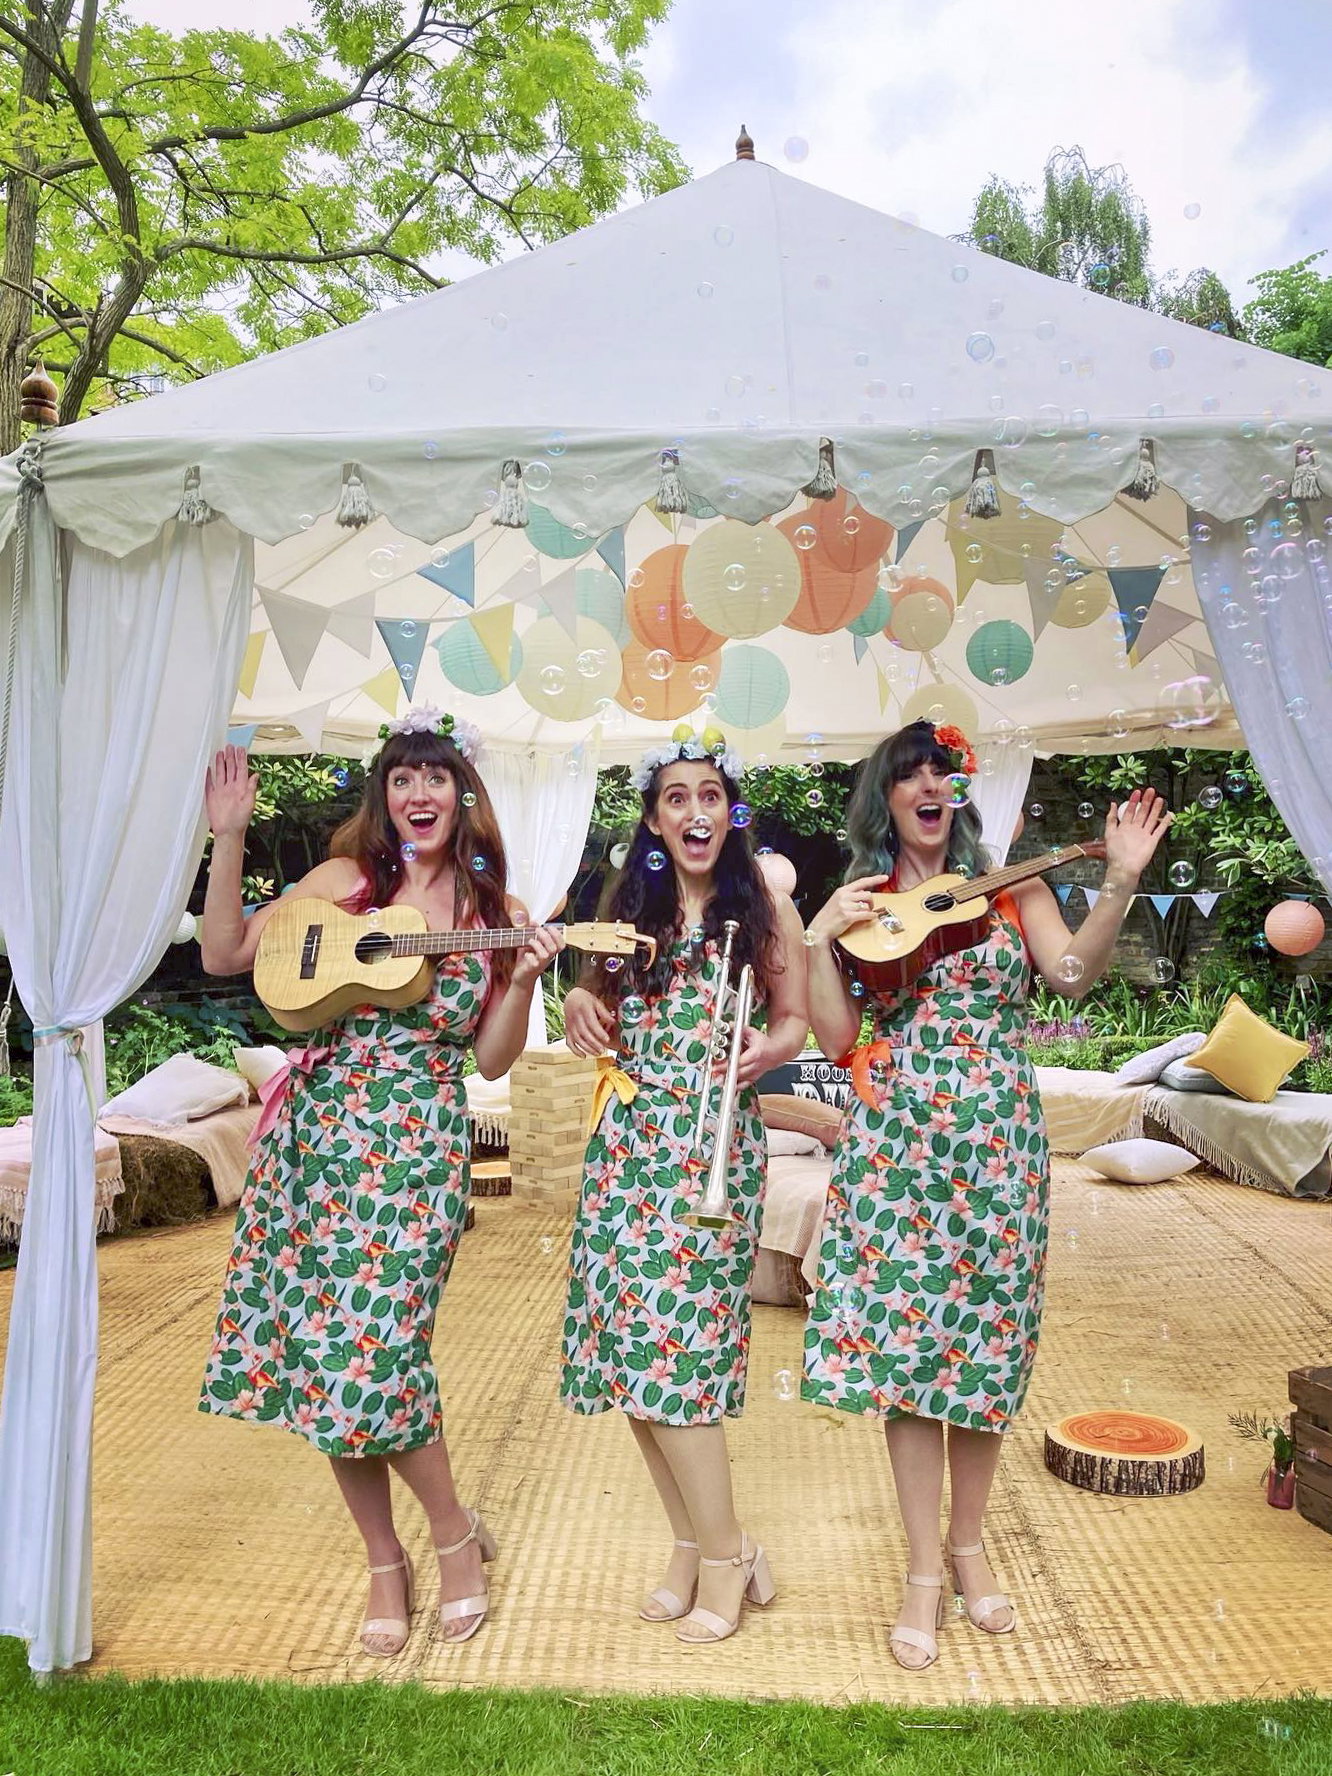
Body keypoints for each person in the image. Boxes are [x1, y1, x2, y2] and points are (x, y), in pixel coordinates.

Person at [800, 719, 1170, 1671]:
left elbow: (1073, 979)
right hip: (897, 1155)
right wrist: (815, 940)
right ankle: (924, 1571)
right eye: (910, 775)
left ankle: (969, 1549)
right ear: (885, 798)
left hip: (1000, 1151)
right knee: (910, 1360)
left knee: (984, 1355)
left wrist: (1120, 876)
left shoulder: (1012, 888)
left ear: (959, 793)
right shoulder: (864, 903)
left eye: (943, 773)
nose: (930, 786)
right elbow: (837, 1039)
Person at [198, 706, 560, 1657]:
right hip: (315, 1148)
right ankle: (385, 1560)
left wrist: (524, 982)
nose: (418, 793)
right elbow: (225, 953)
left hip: (416, 1149)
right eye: (402, 778)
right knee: (328, 1357)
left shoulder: (495, 916)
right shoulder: (346, 884)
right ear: (384, 795)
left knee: (382, 1351)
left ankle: (452, 1539)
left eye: (436, 777)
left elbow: (491, 1060)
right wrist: (228, 837)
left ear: (463, 795)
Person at [561, 726, 808, 1645]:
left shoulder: (765, 908)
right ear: (654, 819)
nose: (696, 811)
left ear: (729, 812)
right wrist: (578, 999)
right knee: (632, 1361)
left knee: (681, 1363)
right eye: (677, 798)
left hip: (710, 1153)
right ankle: (697, 1546)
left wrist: (770, 1049)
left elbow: (795, 1022)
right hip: (626, 1149)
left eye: (710, 795)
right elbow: (596, 1002)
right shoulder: (629, 905)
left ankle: (724, 1560)